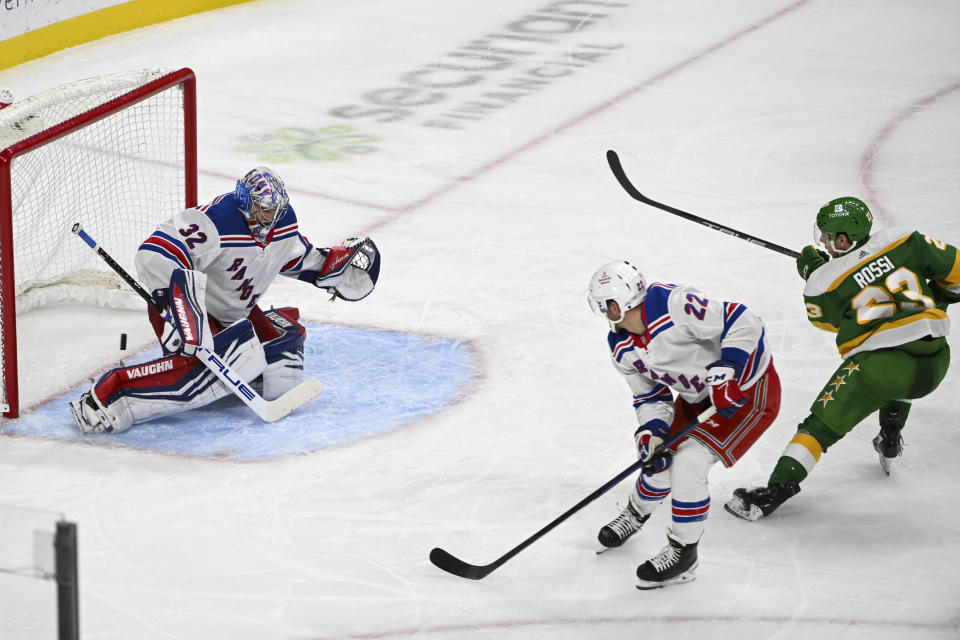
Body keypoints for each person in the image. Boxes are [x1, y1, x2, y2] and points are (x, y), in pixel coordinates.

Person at [69, 166, 381, 434]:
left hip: (236, 312)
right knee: (197, 377)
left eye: (277, 210)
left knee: (285, 366)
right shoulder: (218, 221)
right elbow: (154, 253)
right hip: (185, 308)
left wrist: (332, 269)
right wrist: (181, 306)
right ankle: (107, 399)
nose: (272, 218)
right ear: (246, 204)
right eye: (264, 210)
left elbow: (294, 257)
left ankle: (243, 364)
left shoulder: (283, 223)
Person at [725, 197, 959, 521]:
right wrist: (938, 300)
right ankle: (891, 432)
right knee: (905, 366)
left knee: (819, 427)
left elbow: (829, 320)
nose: (822, 241)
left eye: (827, 236)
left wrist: (814, 271)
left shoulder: (824, 282)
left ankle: (775, 491)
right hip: (935, 362)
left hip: (880, 368)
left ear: (843, 240)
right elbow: (957, 273)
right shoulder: (904, 239)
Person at [587, 261, 781, 589]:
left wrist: (729, 368)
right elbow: (650, 397)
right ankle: (635, 514)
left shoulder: (673, 305)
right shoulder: (620, 346)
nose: (605, 313)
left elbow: (743, 320)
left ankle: (684, 554)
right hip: (698, 399)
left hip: (748, 392)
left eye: (605, 305)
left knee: (689, 462)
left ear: (619, 301)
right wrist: (652, 431)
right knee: (656, 456)